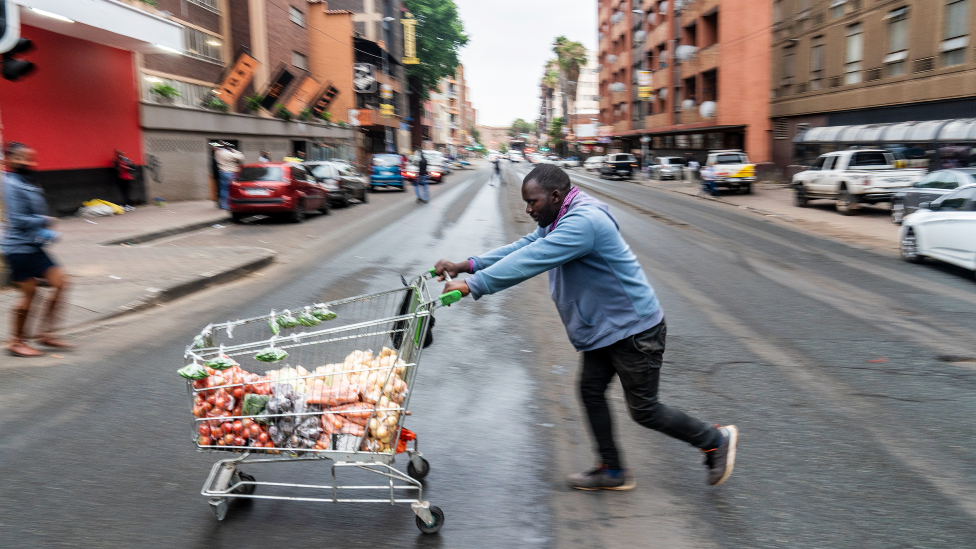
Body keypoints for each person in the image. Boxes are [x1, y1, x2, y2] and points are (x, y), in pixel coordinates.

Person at [434, 164, 738, 490]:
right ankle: (612, 469)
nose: (528, 209)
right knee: (590, 391)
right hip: (606, 330)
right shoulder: (561, 216)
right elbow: (523, 247)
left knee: (645, 410)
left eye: (533, 202)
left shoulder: (583, 222)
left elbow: (532, 259)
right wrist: (466, 265)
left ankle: (715, 439)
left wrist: (472, 285)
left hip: (634, 331)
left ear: (555, 196)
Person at [2, 142, 74, 357]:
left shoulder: (28, 182)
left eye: (30, 158)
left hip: (33, 246)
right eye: (21, 158)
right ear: (10, 160)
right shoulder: (10, 184)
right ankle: (16, 341)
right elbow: (17, 219)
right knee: (30, 294)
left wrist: (43, 230)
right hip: (18, 248)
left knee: (61, 282)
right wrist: (45, 220)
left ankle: (46, 333)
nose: (27, 162)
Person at [214, 142, 244, 210]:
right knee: (230, 189)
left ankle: (223, 205)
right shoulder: (227, 153)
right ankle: (229, 205)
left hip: (221, 172)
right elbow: (241, 157)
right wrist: (233, 150)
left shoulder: (217, 153)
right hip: (229, 172)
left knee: (223, 189)